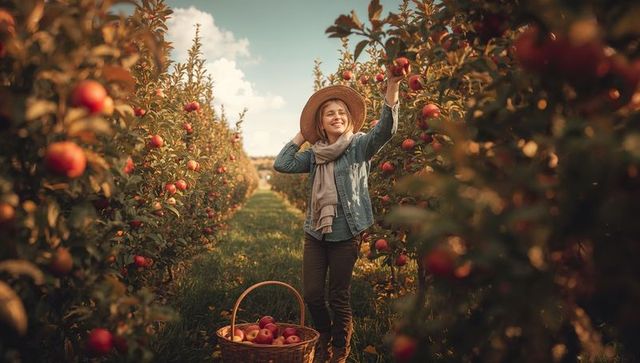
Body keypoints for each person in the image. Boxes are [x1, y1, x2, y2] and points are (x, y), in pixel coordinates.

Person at [273, 67, 403, 363]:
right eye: (329, 113)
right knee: (313, 294)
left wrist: (392, 88)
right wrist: (303, 134)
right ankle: (324, 335)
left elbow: (386, 130)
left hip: (347, 233)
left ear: (349, 119)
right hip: (316, 233)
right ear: (321, 123)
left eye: (341, 112)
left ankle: (339, 348)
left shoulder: (359, 146)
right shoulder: (314, 154)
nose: (337, 116)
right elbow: (282, 163)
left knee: (338, 296)